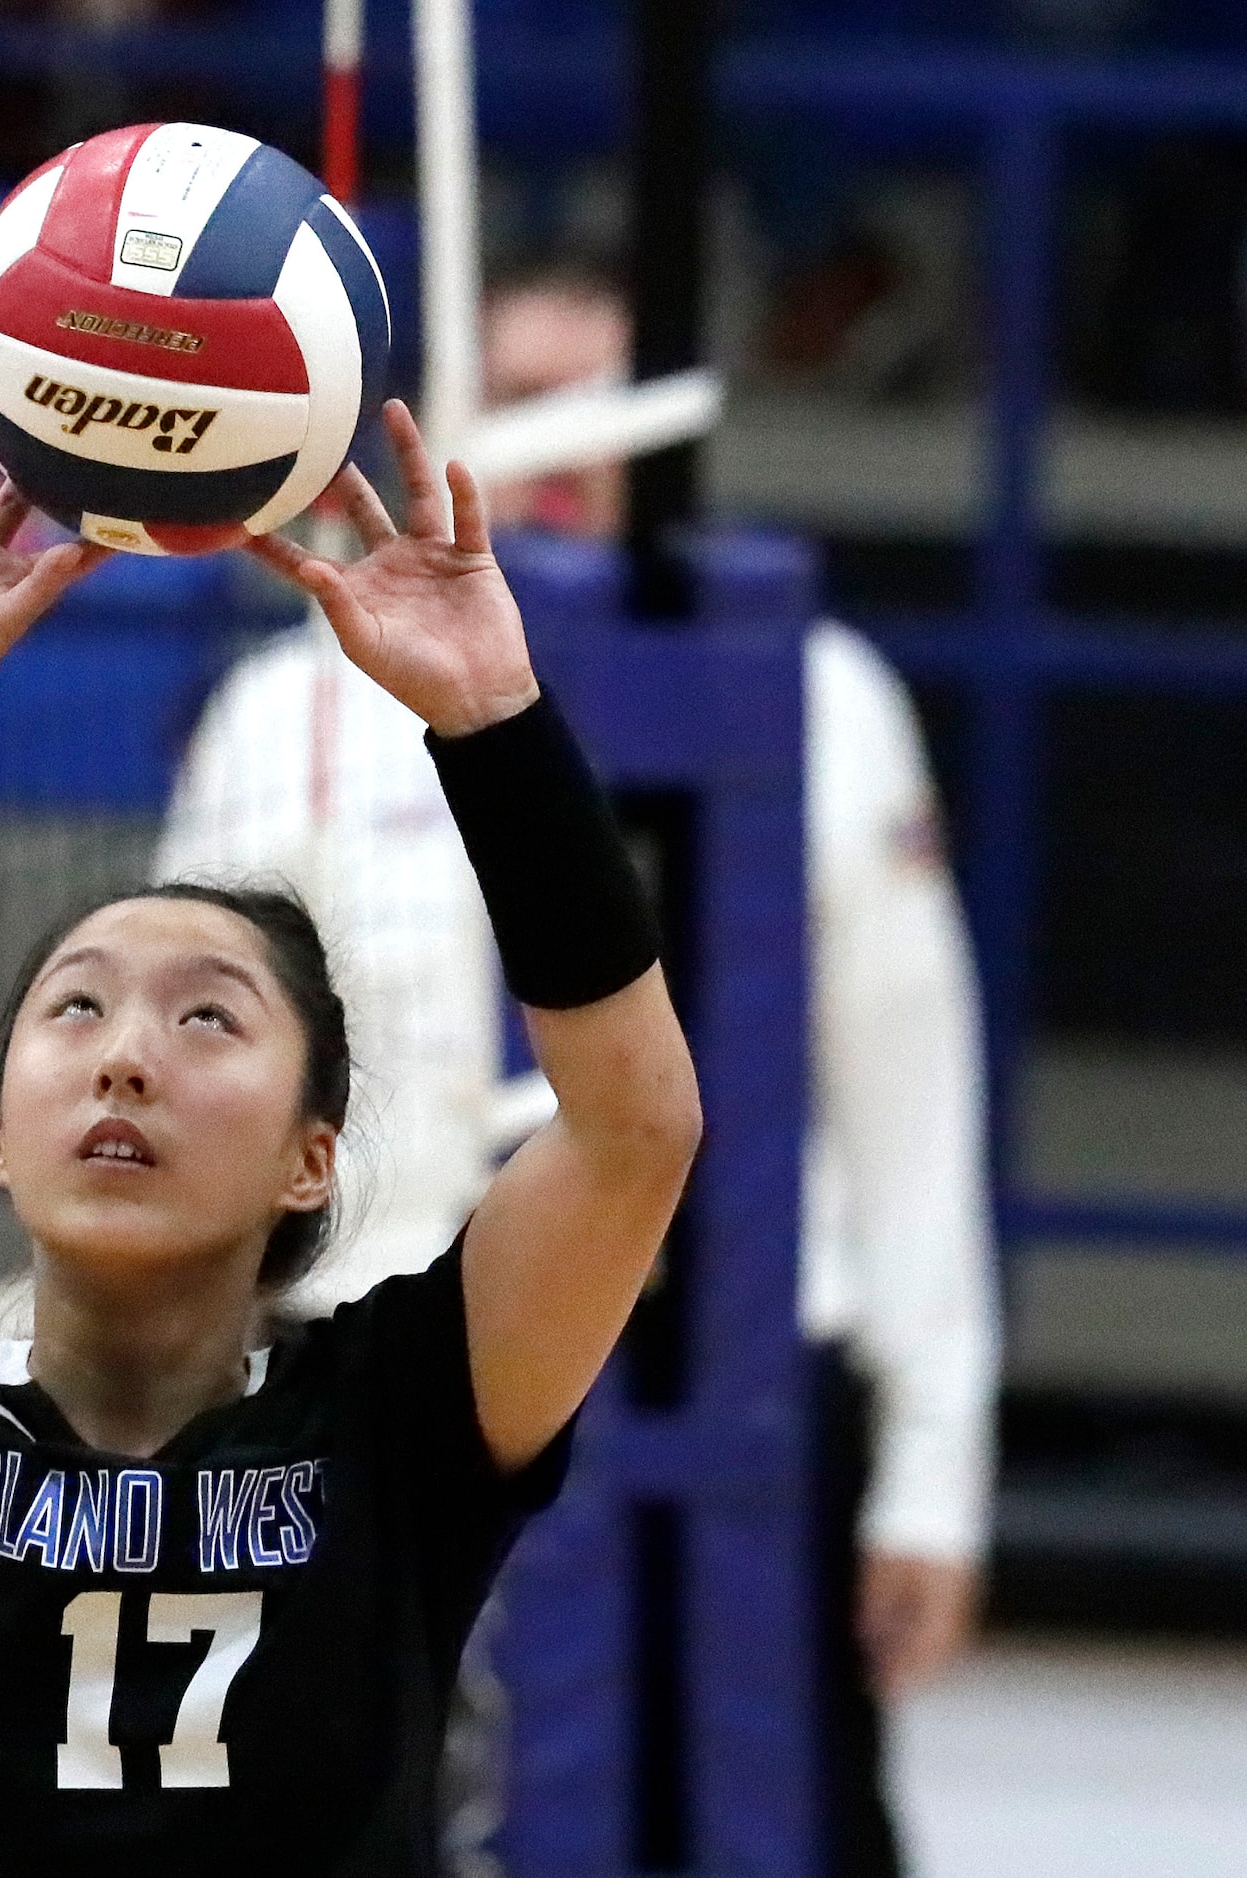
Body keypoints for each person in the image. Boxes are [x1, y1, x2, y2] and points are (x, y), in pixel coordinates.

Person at [0, 392, 701, 1873]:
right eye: (75, 1009)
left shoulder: (399, 1422)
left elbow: (635, 1127)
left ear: (313, 1153)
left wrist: (488, 720)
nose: (125, 1056)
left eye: (206, 1019)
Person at [154, 267, 1001, 1876]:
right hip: (380, 1388)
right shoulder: (288, 716)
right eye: (521, 390)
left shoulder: (821, 704)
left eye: (596, 396)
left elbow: (909, 1107)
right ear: (446, 413)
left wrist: (932, 1477)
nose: (558, 439)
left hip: (741, 1390)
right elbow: (190, 1106)